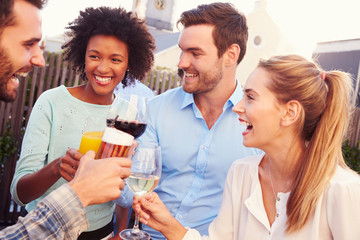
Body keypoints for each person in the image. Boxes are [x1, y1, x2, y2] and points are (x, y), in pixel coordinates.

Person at [133, 54, 360, 239]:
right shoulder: (242, 172)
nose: (237, 107)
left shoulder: (343, 190)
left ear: (290, 112)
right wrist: (170, 226)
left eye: (250, 97)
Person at [10, 6, 155, 239]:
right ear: (83, 56)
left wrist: (119, 232)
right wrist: (57, 168)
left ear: (129, 63)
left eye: (115, 59)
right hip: (45, 231)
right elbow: (20, 194)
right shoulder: (52, 102)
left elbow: (124, 193)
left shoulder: (128, 114)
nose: (103, 67)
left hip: (102, 233)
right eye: (94, 56)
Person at [123, 2, 260, 239]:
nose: (181, 63)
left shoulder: (256, 123)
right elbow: (130, 193)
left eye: (195, 53)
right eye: (182, 50)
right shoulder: (155, 110)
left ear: (230, 55)